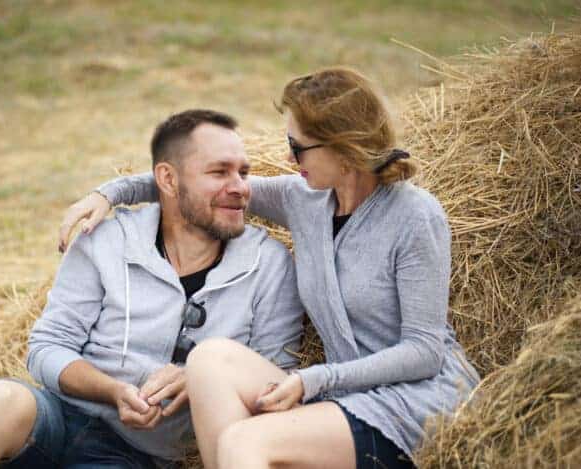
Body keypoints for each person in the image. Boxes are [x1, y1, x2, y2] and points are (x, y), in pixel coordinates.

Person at [59, 68, 480, 469]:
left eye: (298, 147)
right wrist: (108, 194)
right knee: (208, 360)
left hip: (416, 403)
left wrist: (316, 379)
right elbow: (197, 189)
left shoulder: (415, 214)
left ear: (343, 147)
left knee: (243, 440)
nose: (288, 155)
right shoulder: (306, 200)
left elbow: (425, 352)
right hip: (343, 399)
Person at [0, 109, 304, 469]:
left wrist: (204, 378)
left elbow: (275, 379)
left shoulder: (269, 264)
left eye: (243, 172)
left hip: (136, 454)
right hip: (58, 416)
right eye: (220, 172)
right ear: (168, 180)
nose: (240, 187)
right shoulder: (105, 240)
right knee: (0, 400)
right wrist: (112, 391)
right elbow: (46, 347)